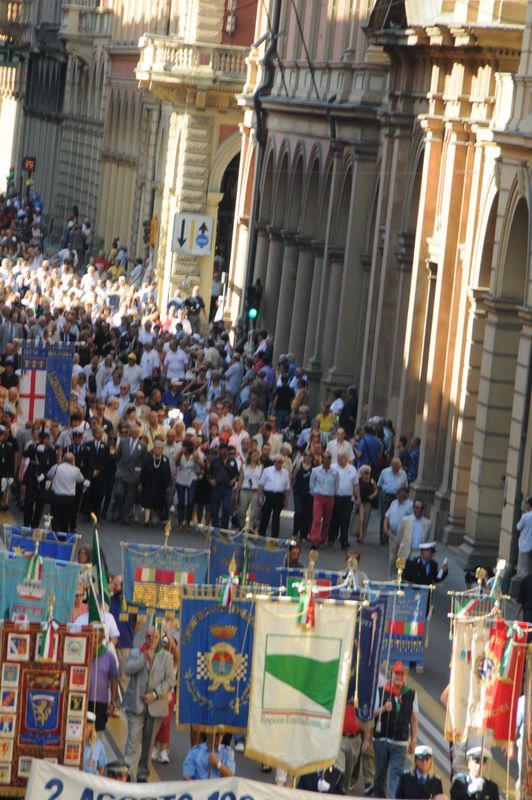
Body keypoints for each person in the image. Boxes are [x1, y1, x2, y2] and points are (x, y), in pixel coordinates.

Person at [123, 626, 176, 783]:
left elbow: (170, 681)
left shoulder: (166, 657)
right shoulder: (136, 653)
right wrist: (144, 659)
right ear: (144, 637)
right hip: (136, 705)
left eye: (154, 637)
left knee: (148, 743)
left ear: (159, 639)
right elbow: (128, 669)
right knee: (133, 741)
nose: (151, 640)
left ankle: (142, 773)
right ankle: (127, 773)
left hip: (155, 706)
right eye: (148, 637)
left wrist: (154, 694)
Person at [372, 661, 418, 799]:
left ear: (406, 676)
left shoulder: (412, 694)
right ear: (391, 674)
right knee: (379, 776)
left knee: (396, 777)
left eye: (402, 674)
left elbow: (414, 719)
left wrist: (413, 740)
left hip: (400, 743)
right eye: (396, 674)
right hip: (381, 740)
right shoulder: (381, 691)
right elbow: (373, 713)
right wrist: (383, 709)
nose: (399, 677)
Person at [109, 423, 147, 523]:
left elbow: (144, 462)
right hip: (122, 471)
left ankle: (125, 515)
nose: (135, 433)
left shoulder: (143, 445)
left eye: (137, 432)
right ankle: (117, 512)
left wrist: (140, 478)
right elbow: (118, 456)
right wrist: (118, 466)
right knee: (119, 493)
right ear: (130, 432)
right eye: (133, 431)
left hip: (134, 474)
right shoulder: (123, 441)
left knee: (130, 496)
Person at [88, 625, 119, 732]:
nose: (93, 639)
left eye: (96, 636)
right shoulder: (84, 653)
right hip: (83, 700)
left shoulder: (109, 657)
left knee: (97, 734)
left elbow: (114, 680)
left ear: (101, 639)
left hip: (101, 702)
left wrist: (112, 703)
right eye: (92, 636)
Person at [46, 452, 87, 532]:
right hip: (69, 498)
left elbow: (49, 475)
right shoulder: (76, 470)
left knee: (55, 518)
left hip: (57, 496)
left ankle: (55, 533)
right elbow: (81, 479)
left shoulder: (56, 467)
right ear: (73, 460)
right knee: (65, 519)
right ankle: (63, 535)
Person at [329, 452, 360, 549]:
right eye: (338, 457)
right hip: (335, 497)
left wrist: (358, 498)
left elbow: (356, 485)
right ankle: (331, 538)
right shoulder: (332, 467)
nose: (339, 459)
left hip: (347, 498)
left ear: (346, 458)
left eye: (342, 457)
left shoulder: (352, 469)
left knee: (345, 519)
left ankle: (344, 540)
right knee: (333, 519)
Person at [308, 451, 339, 546]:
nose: (327, 460)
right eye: (325, 458)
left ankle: (322, 538)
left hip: (329, 497)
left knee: (327, 520)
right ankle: (314, 539)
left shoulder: (335, 472)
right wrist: (315, 493)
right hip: (318, 496)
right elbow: (312, 484)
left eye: (329, 458)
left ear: (331, 459)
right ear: (322, 459)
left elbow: (336, 486)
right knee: (317, 519)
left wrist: (331, 493)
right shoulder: (315, 471)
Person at [257, 453, 291, 538]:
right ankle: (261, 534)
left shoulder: (285, 472)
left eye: (280, 462)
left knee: (276, 517)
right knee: (265, 515)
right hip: (268, 495)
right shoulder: (267, 470)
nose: (279, 464)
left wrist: (286, 500)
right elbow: (261, 484)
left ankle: (274, 537)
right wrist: (259, 496)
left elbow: (287, 487)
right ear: (274, 462)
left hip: (279, 496)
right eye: (277, 461)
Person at [139, 439, 172, 526]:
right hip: (148, 483)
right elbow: (143, 471)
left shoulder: (165, 460)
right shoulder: (148, 458)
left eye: (159, 448)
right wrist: (141, 483)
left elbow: (168, 473)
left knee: (157, 502)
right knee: (147, 501)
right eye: (156, 447)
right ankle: (146, 520)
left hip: (160, 485)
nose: (157, 449)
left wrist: (168, 485)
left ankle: (154, 518)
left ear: (162, 449)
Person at [377, 458, 408, 545]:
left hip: (398, 497)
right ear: (391, 465)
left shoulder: (403, 473)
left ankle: (391, 538)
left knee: (395, 516)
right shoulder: (385, 472)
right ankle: (383, 537)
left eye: (398, 467)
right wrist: (381, 496)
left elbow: (405, 486)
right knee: (385, 516)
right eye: (395, 467)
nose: (397, 469)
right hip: (386, 496)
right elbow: (379, 485)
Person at [384, 487, 413, 577]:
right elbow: (387, 516)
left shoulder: (410, 505)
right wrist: (385, 527)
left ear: (406, 495)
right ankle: (391, 577)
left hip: (404, 536)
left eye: (401, 494)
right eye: (398, 494)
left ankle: (400, 576)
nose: (399, 496)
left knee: (401, 557)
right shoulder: (394, 503)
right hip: (393, 534)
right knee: (392, 557)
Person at [209, 442, 239, 529]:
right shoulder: (215, 461)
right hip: (216, 487)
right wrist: (210, 480)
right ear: (219, 450)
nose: (223, 451)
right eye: (221, 449)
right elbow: (209, 473)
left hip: (227, 488)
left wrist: (234, 480)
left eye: (225, 449)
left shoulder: (232, 461)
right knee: (214, 509)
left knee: (226, 508)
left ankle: (224, 528)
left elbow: (237, 474)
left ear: (227, 451)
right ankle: (215, 528)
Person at [355, 464, 378, 542]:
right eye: (366, 472)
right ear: (362, 473)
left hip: (368, 502)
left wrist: (372, 495)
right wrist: (356, 498)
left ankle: (362, 535)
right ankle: (358, 533)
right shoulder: (358, 480)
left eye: (368, 472)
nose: (368, 474)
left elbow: (376, 490)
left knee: (365, 519)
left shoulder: (372, 481)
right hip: (360, 501)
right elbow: (355, 489)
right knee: (359, 518)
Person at [83, 710, 107, 775]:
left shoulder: (99, 746)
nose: (83, 728)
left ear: (91, 726)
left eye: (86, 726)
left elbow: (101, 768)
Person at [516, 496, 532, 578]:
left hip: (525, 545)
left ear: (529, 504)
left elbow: (518, 527)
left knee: (523, 570)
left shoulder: (526, 516)